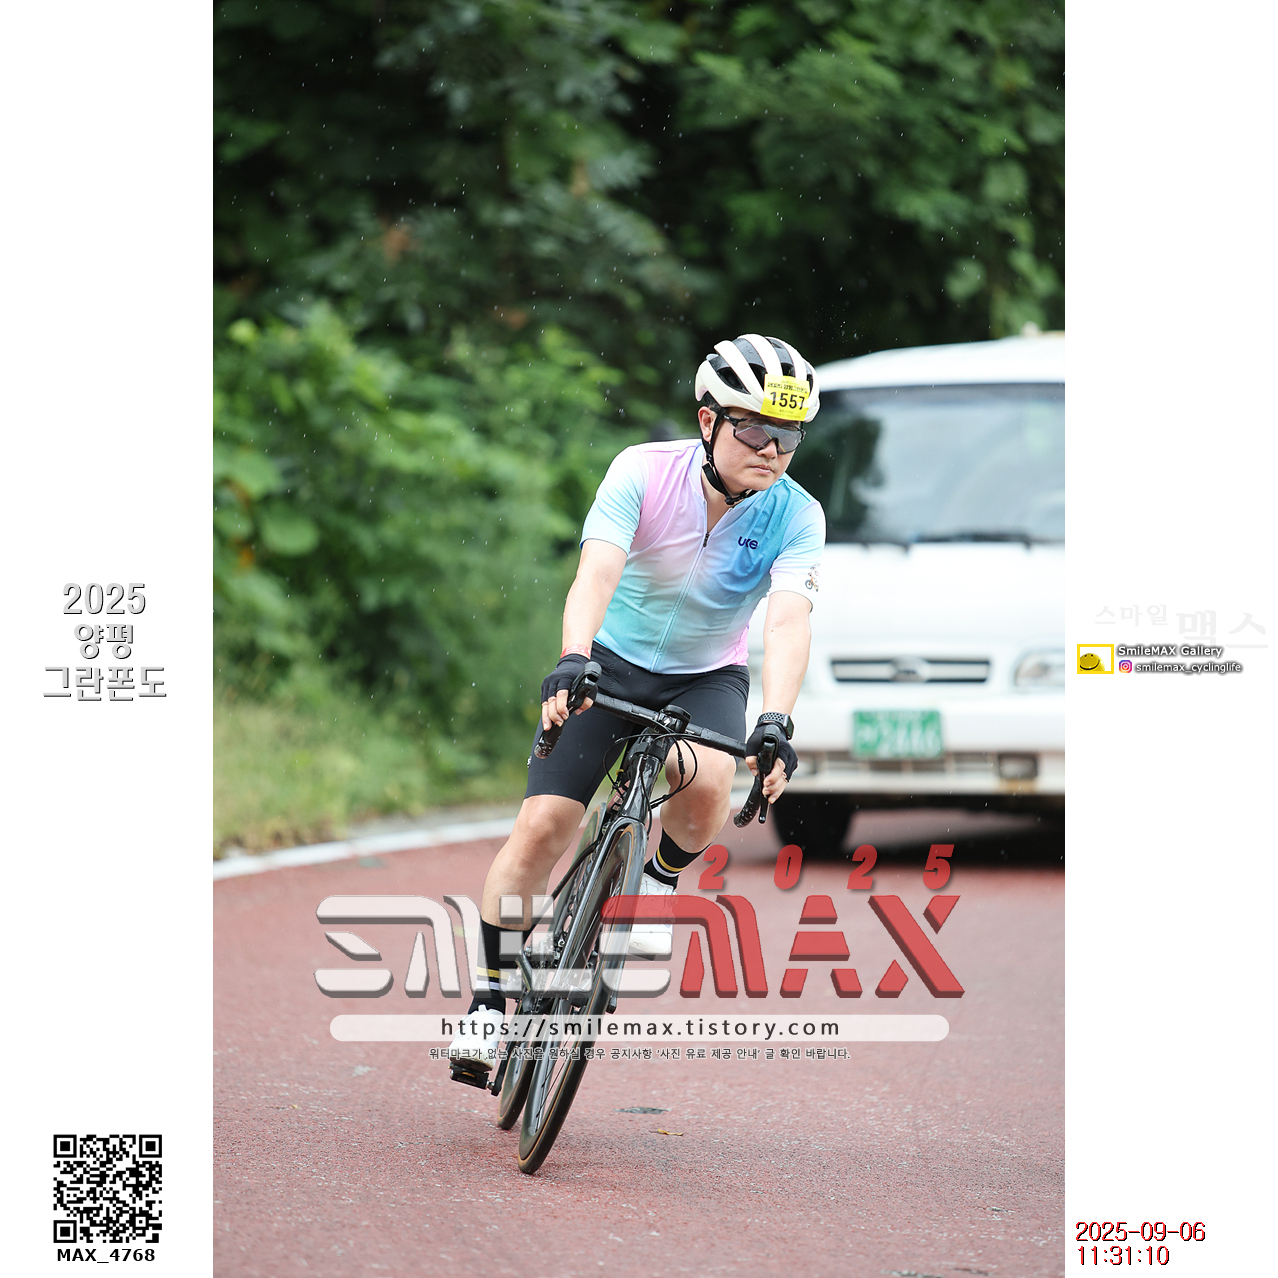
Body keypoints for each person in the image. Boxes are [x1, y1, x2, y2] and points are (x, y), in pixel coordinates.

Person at [448, 334, 826, 1077]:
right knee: (542, 826)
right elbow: (596, 572)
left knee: (711, 779)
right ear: (708, 421)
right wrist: (573, 657)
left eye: (789, 437)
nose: (773, 451)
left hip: (704, 675)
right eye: (756, 429)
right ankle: (489, 1002)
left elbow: (787, 620)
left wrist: (777, 719)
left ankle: (657, 877)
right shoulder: (643, 471)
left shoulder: (798, 514)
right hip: (611, 662)